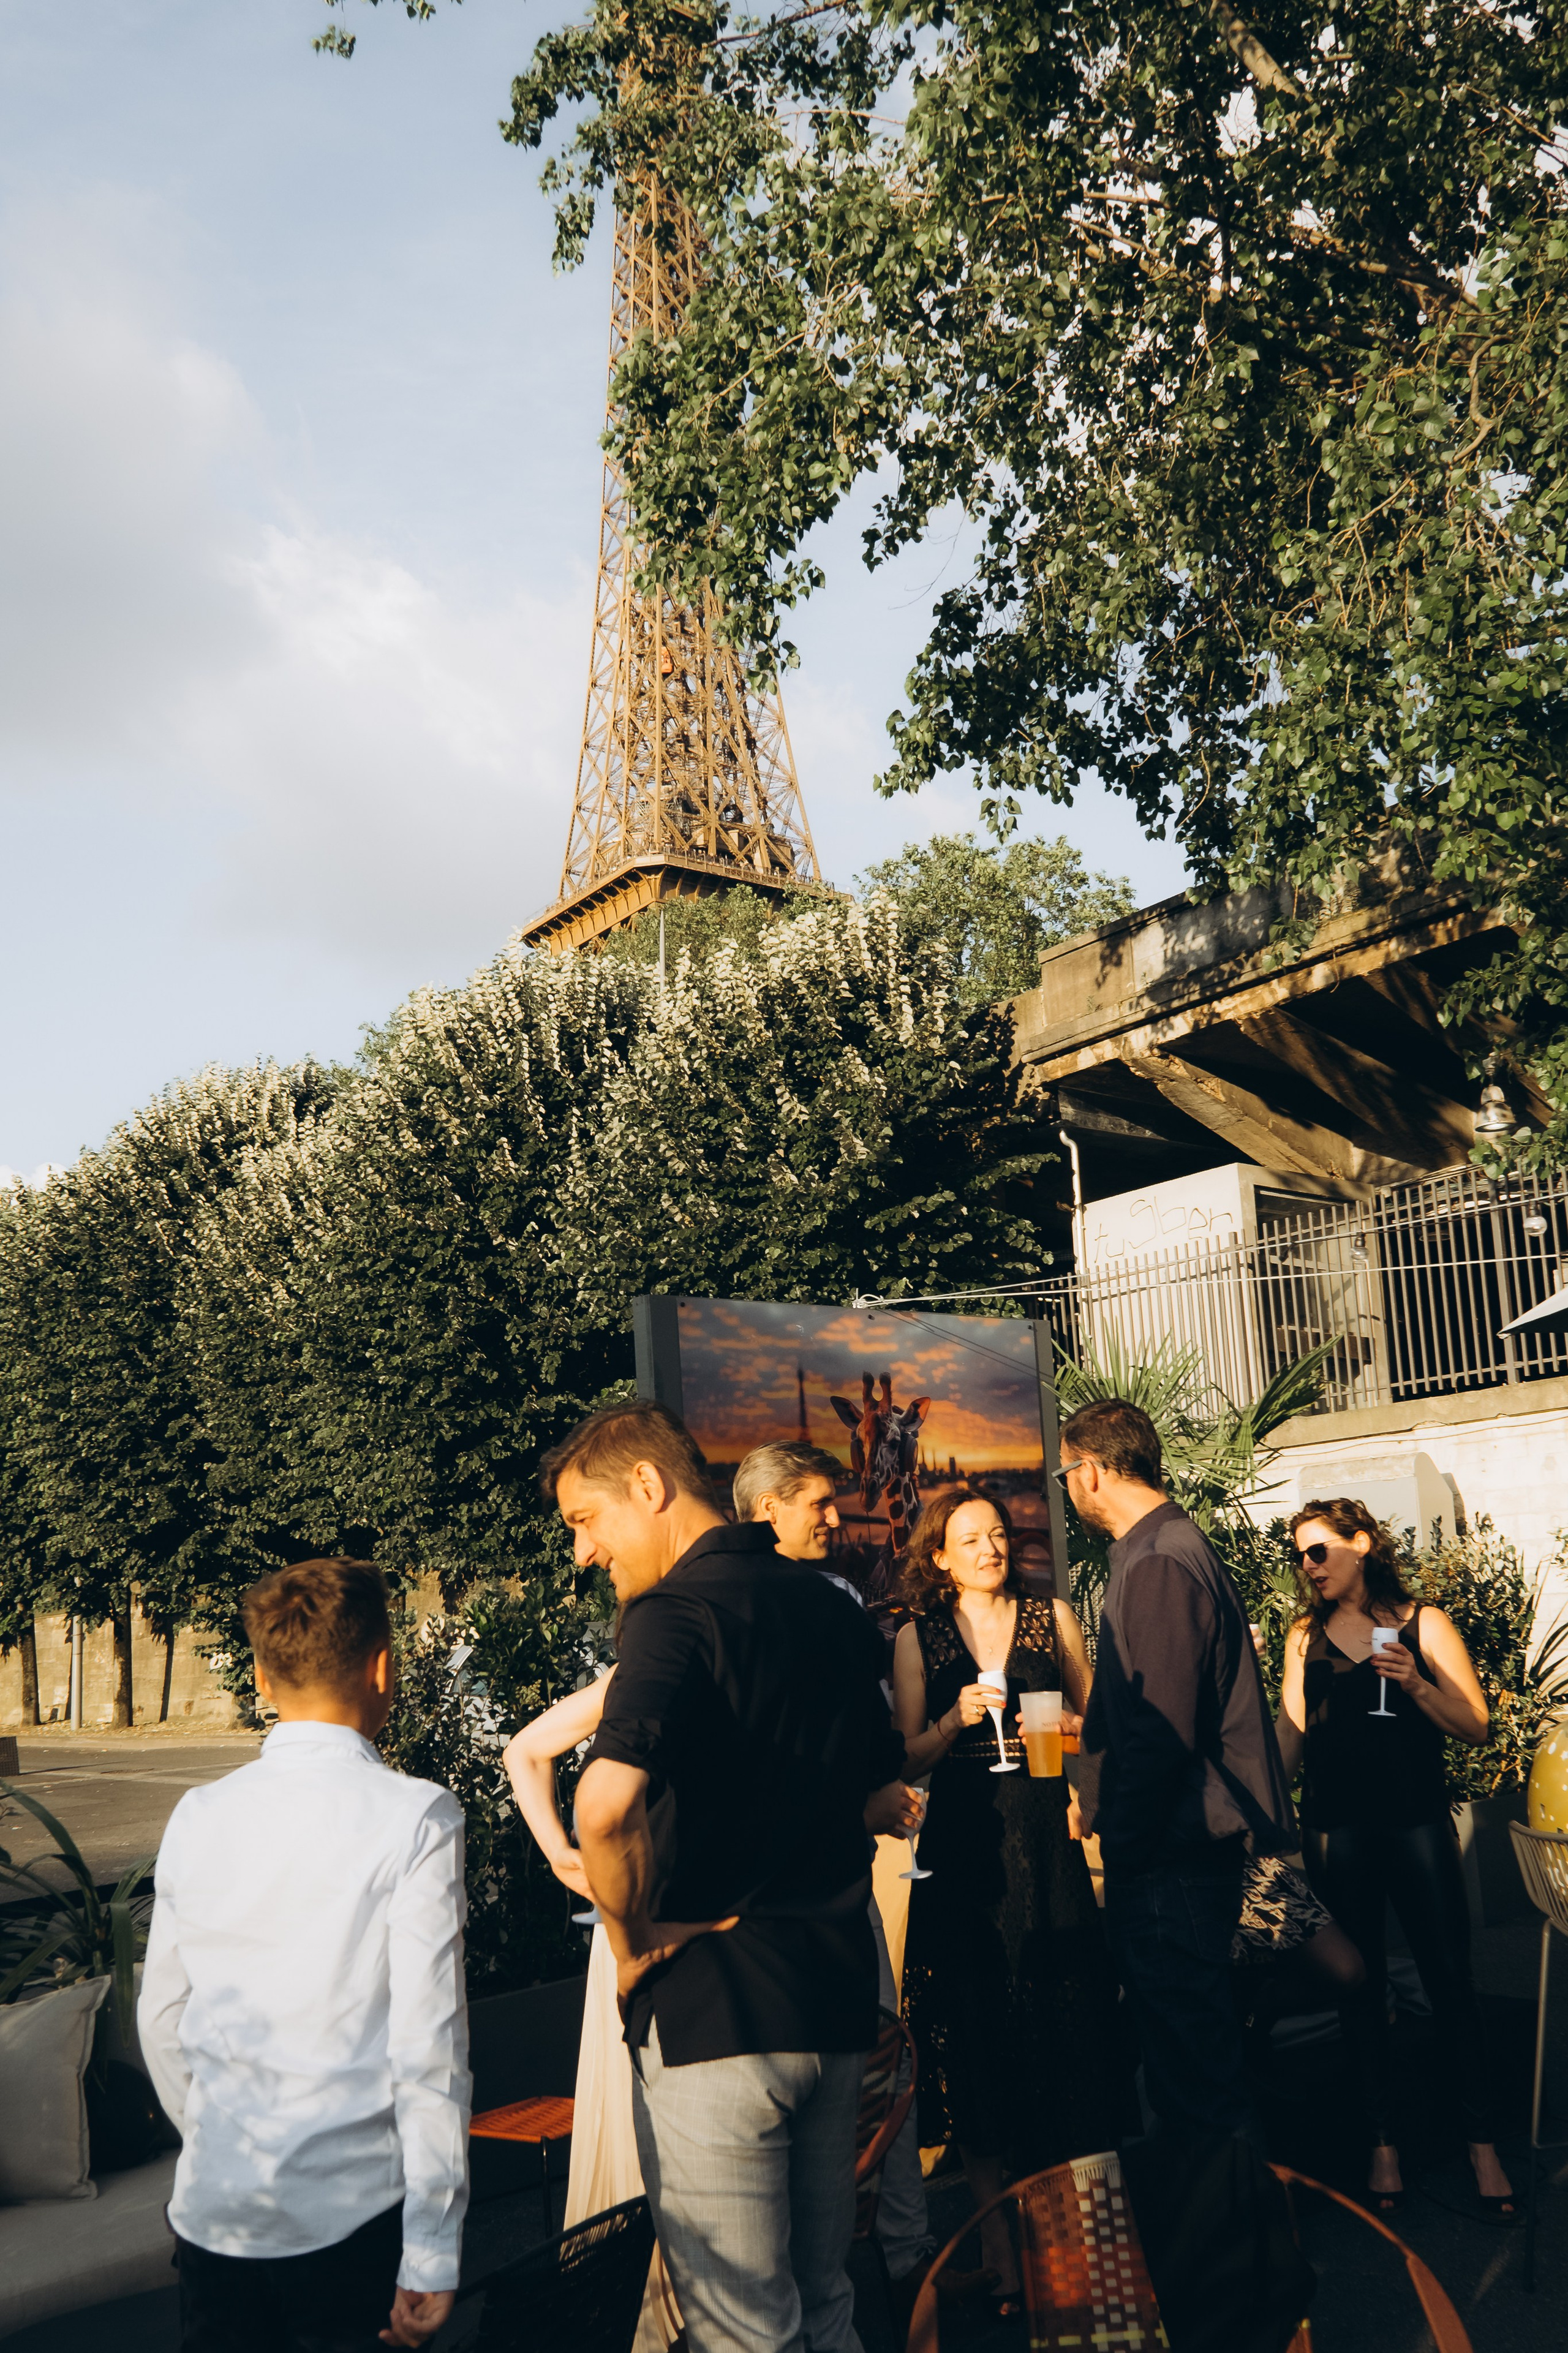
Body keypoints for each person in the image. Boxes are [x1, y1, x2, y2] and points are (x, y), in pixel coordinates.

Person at [545, 1399, 914, 2353]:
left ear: (648, 1485)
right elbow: (882, 1787)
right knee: (826, 2300)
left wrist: (633, 1947)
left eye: (585, 1522)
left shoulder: (670, 1614)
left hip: (717, 2016)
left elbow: (603, 1804)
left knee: (743, 2331)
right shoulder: (827, 1606)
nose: (583, 1553)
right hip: (833, 2003)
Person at [138, 1558, 468, 2353]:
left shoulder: (198, 1813)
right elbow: (428, 2050)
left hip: (217, 2215)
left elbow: (162, 2017)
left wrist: (230, 2138)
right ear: (384, 1666)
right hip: (350, 2220)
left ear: (260, 1674)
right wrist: (432, 2246)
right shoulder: (418, 1816)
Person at [892, 1489, 1131, 2311]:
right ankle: (998, 2244)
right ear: (942, 1558)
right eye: (972, 1538)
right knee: (978, 2033)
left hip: (1046, 1837)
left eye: (998, 1533)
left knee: (1064, 2025)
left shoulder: (1049, 1618)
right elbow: (908, 1760)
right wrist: (955, 1718)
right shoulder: (917, 1637)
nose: (992, 1547)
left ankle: (1078, 2244)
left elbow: (1097, 1722)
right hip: (965, 1857)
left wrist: (1073, 1760)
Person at [734, 1438, 935, 2299]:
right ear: (765, 1507)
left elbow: (866, 1737)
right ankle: (829, 2266)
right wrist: (867, 1801)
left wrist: (884, 1785)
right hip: (776, 1905)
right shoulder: (733, 1608)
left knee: (882, 2059)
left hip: (850, 1879)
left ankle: (904, 2248)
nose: (833, 1517)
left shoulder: (847, 1597)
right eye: (816, 1502)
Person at [1276, 1497, 1515, 2218]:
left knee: (1449, 1978)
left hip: (1413, 1823)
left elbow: (1475, 1725)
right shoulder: (1301, 1637)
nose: (1307, 1566)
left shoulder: (1423, 1623)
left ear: (1362, 1544)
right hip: (1334, 1829)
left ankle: (1481, 2145)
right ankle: (1383, 2143)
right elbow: (1288, 1741)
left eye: (1318, 1550)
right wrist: (1243, 1800)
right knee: (1360, 1988)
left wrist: (1414, 1681)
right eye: (1299, 1555)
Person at [1065, 1399, 1294, 2147]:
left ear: (1092, 1471)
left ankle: (1235, 2254)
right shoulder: (1159, 1547)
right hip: (1178, 1848)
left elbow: (1163, 1731)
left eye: (1067, 1471)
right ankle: (1238, 2244)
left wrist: (1122, 1841)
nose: (1068, 1486)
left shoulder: (1160, 1559)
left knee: (1196, 2080)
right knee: (1194, 2067)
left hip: (1174, 1853)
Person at [503, 1682, 683, 2353]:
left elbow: (525, 1751)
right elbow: (523, 1751)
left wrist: (560, 1852)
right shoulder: (637, 1671)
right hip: (648, 1932)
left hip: (642, 1924)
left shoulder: (643, 1666)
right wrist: (560, 1854)